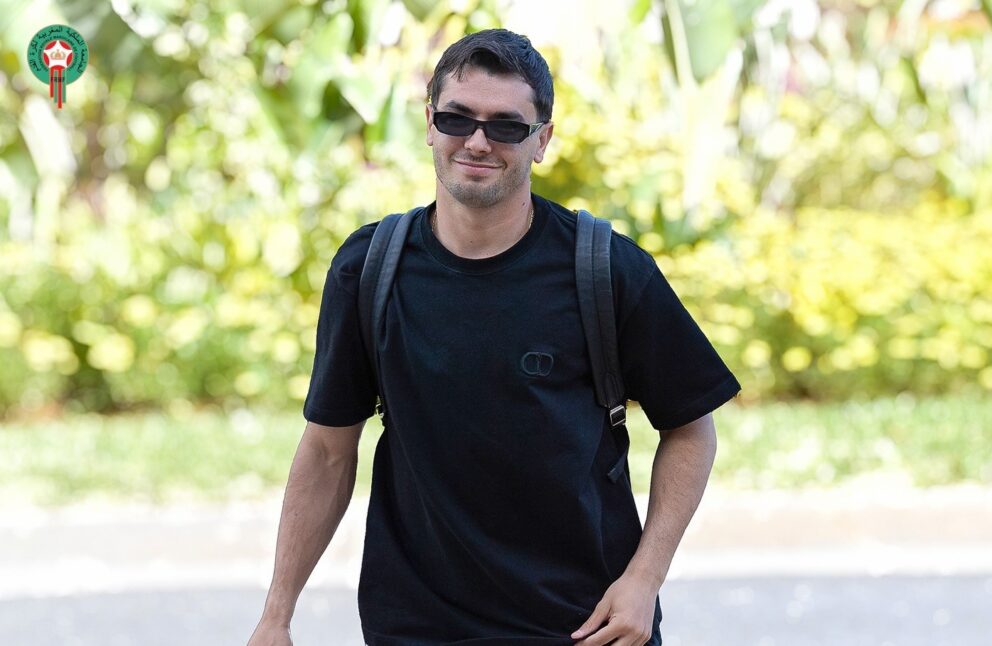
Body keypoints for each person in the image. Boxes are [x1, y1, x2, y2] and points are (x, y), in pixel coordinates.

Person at [249, 28, 740, 646]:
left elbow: (691, 428)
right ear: (429, 124)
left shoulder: (606, 269)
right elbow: (327, 451)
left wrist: (645, 579)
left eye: (506, 126)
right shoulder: (369, 269)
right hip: (417, 627)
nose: (478, 141)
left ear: (541, 141)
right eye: (457, 118)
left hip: (584, 625)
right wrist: (276, 616)